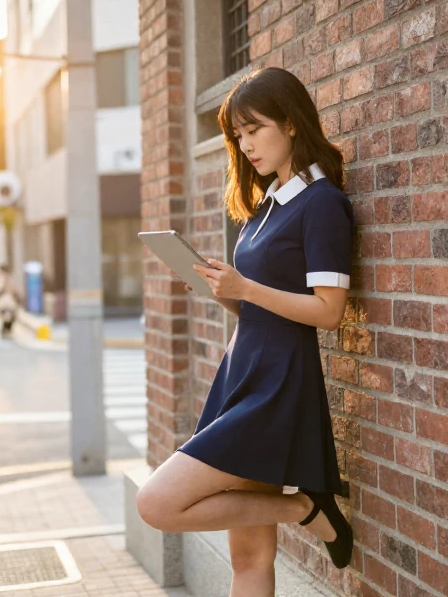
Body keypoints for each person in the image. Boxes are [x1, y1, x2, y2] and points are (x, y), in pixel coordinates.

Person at [135, 67, 355, 595]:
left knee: (157, 502)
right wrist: (223, 291)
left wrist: (247, 288)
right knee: (249, 557)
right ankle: (309, 507)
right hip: (242, 373)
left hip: (277, 382)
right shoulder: (266, 204)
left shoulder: (322, 203)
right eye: (239, 135)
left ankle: (305, 507)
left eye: (255, 129)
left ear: (292, 123)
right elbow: (259, 308)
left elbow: (328, 312)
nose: (246, 144)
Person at [0, 264, 20, 336]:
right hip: (9, 301)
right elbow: (16, 290)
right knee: (8, 317)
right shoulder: (10, 278)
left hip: (5, 302)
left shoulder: (3, 278)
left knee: (6, 317)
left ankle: (5, 331)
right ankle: (7, 331)